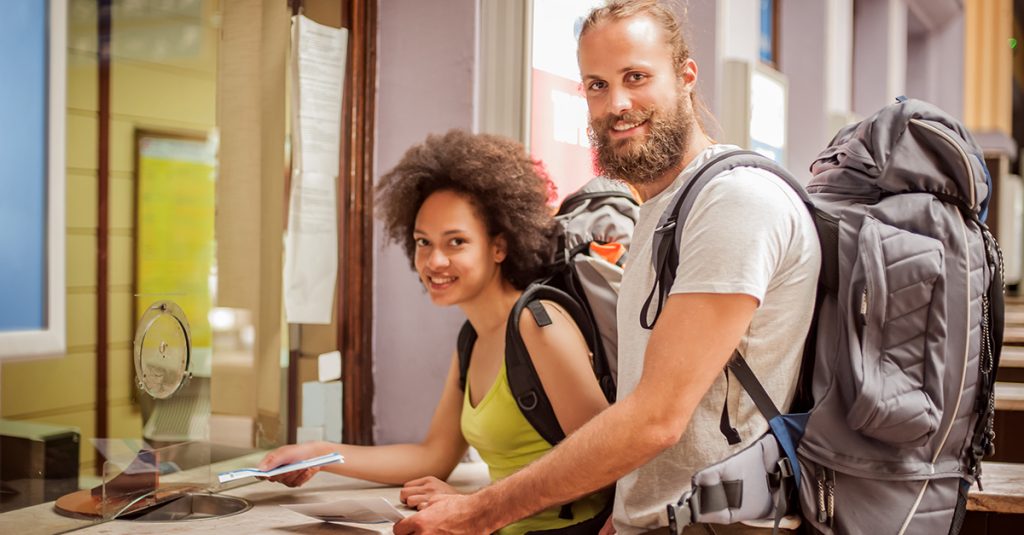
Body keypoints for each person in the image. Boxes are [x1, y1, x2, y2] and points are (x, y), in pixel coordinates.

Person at [394, 1, 821, 534]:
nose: (617, 103)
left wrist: (480, 511)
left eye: (636, 77)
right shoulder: (659, 210)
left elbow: (656, 419)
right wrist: (624, 512)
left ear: (686, 76)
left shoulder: (733, 202)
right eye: (596, 85)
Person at [259, 129, 612, 534]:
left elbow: (607, 460)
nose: (434, 261)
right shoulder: (473, 338)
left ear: (499, 246)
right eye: (423, 242)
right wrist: (319, 455)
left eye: (456, 242)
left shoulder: (538, 324)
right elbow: (434, 455)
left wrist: (476, 504)